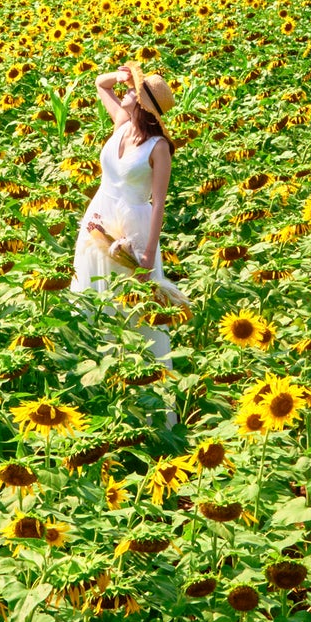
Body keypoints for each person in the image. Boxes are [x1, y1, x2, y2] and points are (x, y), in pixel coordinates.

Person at [69, 63, 186, 394]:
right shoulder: (122, 123)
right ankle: (95, 385)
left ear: (145, 105)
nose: (126, 93)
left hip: (133, 228)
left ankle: (141, 390)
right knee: (92, 295)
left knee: (131, 308)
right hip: (98, 220)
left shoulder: (158, 147)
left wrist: (148, 253)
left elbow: (159, 203)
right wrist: (122, 76)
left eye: (134, 90)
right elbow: (99, 84)